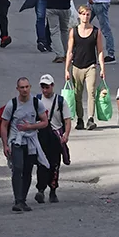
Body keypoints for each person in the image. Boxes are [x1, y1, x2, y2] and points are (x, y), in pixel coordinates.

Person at [0, 78, 49, 213]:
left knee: (27, 170)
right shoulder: (12, 105)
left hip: (30, 141)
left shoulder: (36, 103)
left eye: (27, 87)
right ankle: (18, 201)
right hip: (16, 141)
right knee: (18, 168)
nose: (25, 90)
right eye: (22, 87)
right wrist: (5, 145)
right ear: (17, 89)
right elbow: (4, 125)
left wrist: (30, 126)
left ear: (30, 87)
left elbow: (45, 122)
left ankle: (23, 200)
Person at [64, 4, 105, 130]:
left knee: (91, 92)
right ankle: (80, 119)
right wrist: (66, 69)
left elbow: (100, 51)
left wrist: (102, 68)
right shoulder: (74, 31)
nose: (86, 17)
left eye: (88, 14)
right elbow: (70, 51)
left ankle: (90, 119)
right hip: (76, 66)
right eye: (83, 14)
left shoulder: (96, 32)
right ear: (79, 15)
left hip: (91, 66)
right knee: (77, 95)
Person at [35, 73, 72, 203]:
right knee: (41, 164)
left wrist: (65, 135)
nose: (45, 90)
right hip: (41, 136)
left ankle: (53, 190)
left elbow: (67, 120)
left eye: (47, 87)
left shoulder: (61, 101)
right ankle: (40, 190)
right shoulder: (37, 100)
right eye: (43, 87)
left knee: (55, 164)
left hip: (55, 136)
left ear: (52, 86)